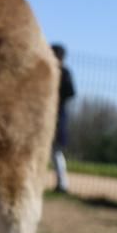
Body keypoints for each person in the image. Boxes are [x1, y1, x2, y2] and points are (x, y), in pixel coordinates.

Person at [51, 43, 75, 193]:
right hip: (44, 115)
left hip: (58, 116)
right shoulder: (46, 69)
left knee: (56, 153)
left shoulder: (65, 73)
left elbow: (71, 92)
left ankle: (62, 184)